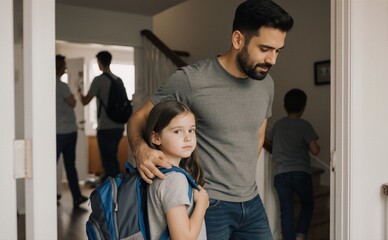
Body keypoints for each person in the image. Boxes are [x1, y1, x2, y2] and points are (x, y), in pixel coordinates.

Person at [127, 0, 294, 239]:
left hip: (251, 202)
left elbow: (257, 133)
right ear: (238, 40)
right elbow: (139, 117)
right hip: (208, 203)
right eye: (265, 49)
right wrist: (141, 149)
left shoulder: (266, 84)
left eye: (278, 51)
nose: (273, 60)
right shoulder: (191, 80)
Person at [144, 100, 208, 240]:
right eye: (177, 131)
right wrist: (202, 203)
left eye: (191, 130)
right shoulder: (174, 179)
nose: (188, 137)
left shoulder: (153, 172)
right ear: (156, 138)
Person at [271, 88, 320, 240]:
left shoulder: (278, 126)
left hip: (280, 174)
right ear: (303, 107)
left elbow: (273, 146)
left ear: (285, 106)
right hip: (300, 173)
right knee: (308, 204)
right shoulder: (305, 125)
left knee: (286, 211)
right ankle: (300, 235)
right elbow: (315, 150)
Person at [78, 51, 124, 181]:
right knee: (113, 158)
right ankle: (116, 188)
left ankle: (112, 192)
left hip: (105, 126)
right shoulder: (118, 80)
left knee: (108, 160)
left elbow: (85, 101)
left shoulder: (99, 80)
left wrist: (79, 92)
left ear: (100, 62)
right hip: (119, 126)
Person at [55, 54, 88, 207]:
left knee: (52, 164)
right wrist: (75, 96)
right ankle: (76, 197)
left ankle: (52, 195)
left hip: (57, 132)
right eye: (64, 65)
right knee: (70, 165)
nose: (66, 68)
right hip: (66, 132)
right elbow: (73, 103)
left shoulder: (47, 84)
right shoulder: (61, 85)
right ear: (59, 67)